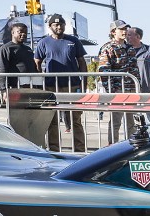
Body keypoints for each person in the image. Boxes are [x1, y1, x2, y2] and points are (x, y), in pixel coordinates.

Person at [34, 14, 88, 152]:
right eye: (55, 25)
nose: (59, 27)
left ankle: (80, 150)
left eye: (61, 24)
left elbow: (81, 61)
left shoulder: (73, 40)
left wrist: (84, 83)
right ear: (50, 27)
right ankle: (54, 150)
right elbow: (37, 63)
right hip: (52, 86)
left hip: (73, 85)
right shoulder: (44, 42)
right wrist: (40, 83)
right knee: (53, 121)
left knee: (75, 120)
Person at [97, 21, 139, 141]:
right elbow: (104, 72)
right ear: (113, 32)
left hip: (131, 89)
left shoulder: (130, 48)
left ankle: (131, 148)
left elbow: (135, 69)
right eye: (121, 29)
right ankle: (113, 147)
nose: (124, 31)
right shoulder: (108, 48)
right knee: (116, 122)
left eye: (126, 29)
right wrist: (112, 90)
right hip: (118, 90)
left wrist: (137, 86)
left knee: (131, 122)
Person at [125, 25, 150, 93]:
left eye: (129, 35)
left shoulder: (149, 50)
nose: (126, 37)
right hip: (128, 88)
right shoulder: (123, 51)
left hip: (146, 90)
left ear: (138, 36)